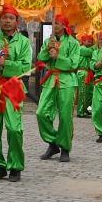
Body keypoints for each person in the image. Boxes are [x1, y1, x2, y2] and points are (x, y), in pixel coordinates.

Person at [0, 5, 30, 182]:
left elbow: (26, 67)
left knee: (14, 128)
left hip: (13, 87)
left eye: (11, 18)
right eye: (4, 18)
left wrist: (5, 64)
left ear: (16, 22)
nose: (7, 21)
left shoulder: (23, 42)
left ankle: (15, 166)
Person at [36, 14, 80, 162]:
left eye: (58, 23)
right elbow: (41, 58)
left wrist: (58, 57)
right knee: (41, 112)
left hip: (66, 80)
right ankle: (53, 142)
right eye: (54, 23)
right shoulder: (49, 41)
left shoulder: (73, 43)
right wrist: (47, 50)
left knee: (65, 116)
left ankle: (65, 147)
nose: (55, 26)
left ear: (64, 26)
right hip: (50, 80)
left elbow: (74, 64)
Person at [74, 34, 95, 118]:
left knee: (89, 93)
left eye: (91, 41)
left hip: (89, 73)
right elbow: (91, 52)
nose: (90, 43)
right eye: (88, 41)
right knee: (82, 92)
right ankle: (80, 112)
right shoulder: (81, 48)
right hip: (82, 72)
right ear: (83, 41)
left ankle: (88, 110)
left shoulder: (88, 49)